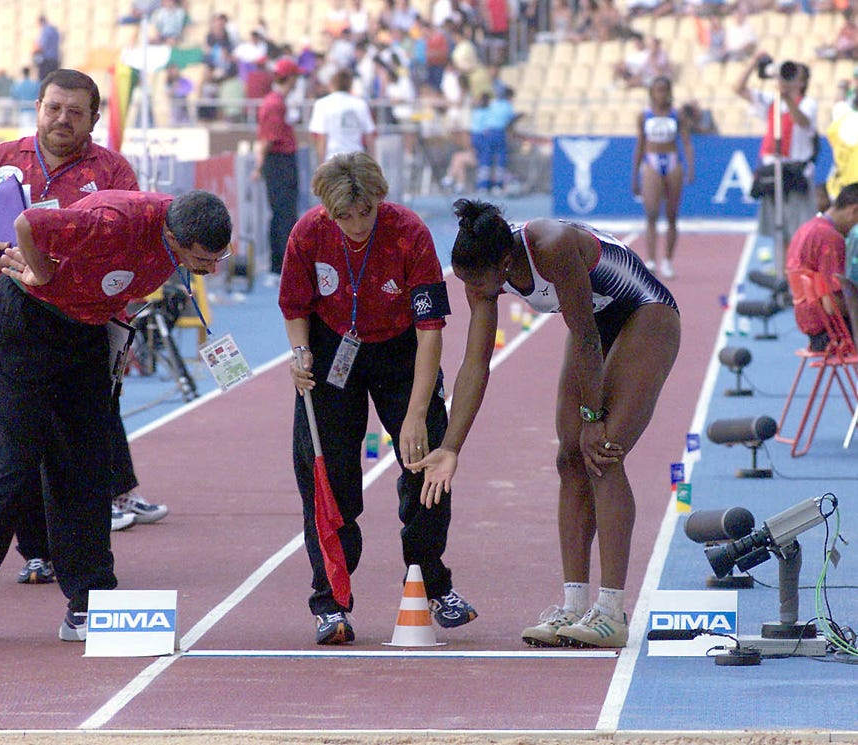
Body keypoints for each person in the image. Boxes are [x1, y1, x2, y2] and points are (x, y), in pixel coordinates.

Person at [0, 188, 232, 644]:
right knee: (10, 463)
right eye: (204, 259)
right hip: (25, 322)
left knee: (86, 468)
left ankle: (90, 603)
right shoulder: (113, 221)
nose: (213, 268)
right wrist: (43, 272)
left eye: (220, 256)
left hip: (85, 334)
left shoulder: (185, 227)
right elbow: (28, 223)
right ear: (172, 235)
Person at [0, 69, 165, 588]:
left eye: (76, 112)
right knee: (11, 453)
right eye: (54, 108)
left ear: (94, 118)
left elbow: (134, 240)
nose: (62, 120)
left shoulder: (114, 171)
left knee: (77, 453)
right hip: (7, 324)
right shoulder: (0, 161)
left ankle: (85, 581)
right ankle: (31, 553)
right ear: (37, 107)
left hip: (82, 327)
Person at [408, 201, 680, 649]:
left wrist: (594, 418)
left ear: (506, 263)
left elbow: (590, 338)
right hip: (590, 326)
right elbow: (476, 363)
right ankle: (574, 606)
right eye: (465, 281)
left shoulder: (550, 246)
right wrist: (451, 446)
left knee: (603, 453)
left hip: (644, 317)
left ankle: (611, 612)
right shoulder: (481, 273)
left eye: (478, 282)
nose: (473, 290)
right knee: (568, 458)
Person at [278, 152, 477, 645]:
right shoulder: (308, 233)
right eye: (343, 216)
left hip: (401, 352)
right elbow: (295, 306)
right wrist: (300, 353)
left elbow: (432, 331)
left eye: (363, 214)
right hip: (331, 353)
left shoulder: (409, 232)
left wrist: (414, 414)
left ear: (379, 201)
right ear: (327, 209)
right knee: (328, 480)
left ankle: (432, 581)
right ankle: (330, 602)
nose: (355, 226)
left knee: (427, 464)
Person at [735, 52, 818, 240]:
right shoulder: (771, 101)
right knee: (777, 231)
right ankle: (781, 266)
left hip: (796, 171)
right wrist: (753, 62)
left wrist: (787, 97)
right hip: (772, 169)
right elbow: (738, 88)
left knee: (799, 229)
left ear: (802, 82)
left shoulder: (808, 103)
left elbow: (802, 121)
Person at [631, 76, 694, 280]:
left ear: (670, 91)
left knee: (672, 215)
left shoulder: (677, 115)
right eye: (658, 90)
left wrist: (690, 167)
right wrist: (634, 176)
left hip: (673, 161)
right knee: (651, 213)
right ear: (651, 92)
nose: (662, 94)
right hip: (652, 161)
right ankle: (651, 260)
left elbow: (686, 142)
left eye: (665, 89)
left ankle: (667, 260)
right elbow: (640, 144)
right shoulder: (644, 115)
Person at [785, 183, 858, 351]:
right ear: (854, 211)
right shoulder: (830, 238)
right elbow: (832, 306)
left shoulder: (808, 227)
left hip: (812, 327)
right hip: (832, 335)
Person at [252, 57, 301, 285]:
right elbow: (268, 139)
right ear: (289, 78)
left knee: (283, 214)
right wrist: (259, 166)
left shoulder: (275, 102)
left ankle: (280, 266)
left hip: (279, 160)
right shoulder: (275, 104)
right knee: (284, 214)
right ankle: (279, 266)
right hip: (279, 162)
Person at [308, 67, 377, 164]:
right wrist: (372, 161)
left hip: (332, 158)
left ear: (331, 83)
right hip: (356, 158)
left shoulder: (322, 104)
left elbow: (321, 137)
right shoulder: (360, 104)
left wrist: (321, 164)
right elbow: (369, 135)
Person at [33, 16, 61, 81]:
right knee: (53, 81)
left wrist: (34, 52)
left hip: (46, 61)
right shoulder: (54, 30)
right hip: (55, 59)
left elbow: (41, 46)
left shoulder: (45, 31)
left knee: (44, 82)